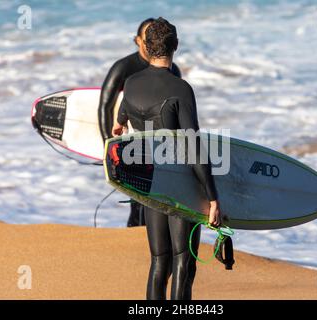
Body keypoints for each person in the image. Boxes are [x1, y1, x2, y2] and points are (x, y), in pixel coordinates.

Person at [112, 17, 221, 300]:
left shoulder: (132, 83)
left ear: (146, 47)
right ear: (176, 46)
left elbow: (120, 121)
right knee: (184, 259)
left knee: (159, 261)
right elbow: (193, 145)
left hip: (150, 182)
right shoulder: (180, 88)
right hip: (181, 183)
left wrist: (121, 127)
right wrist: (213, 197)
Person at [98, 18, 181, 227]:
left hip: (160, 146)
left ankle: (147, 241)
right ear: (138, 40)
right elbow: (104, 107)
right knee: (138, 200)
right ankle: (136, 240)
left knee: (155, 199)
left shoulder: (173, 70)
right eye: (146, 38)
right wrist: (108, 146)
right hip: (131, 143)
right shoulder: (124, 68)